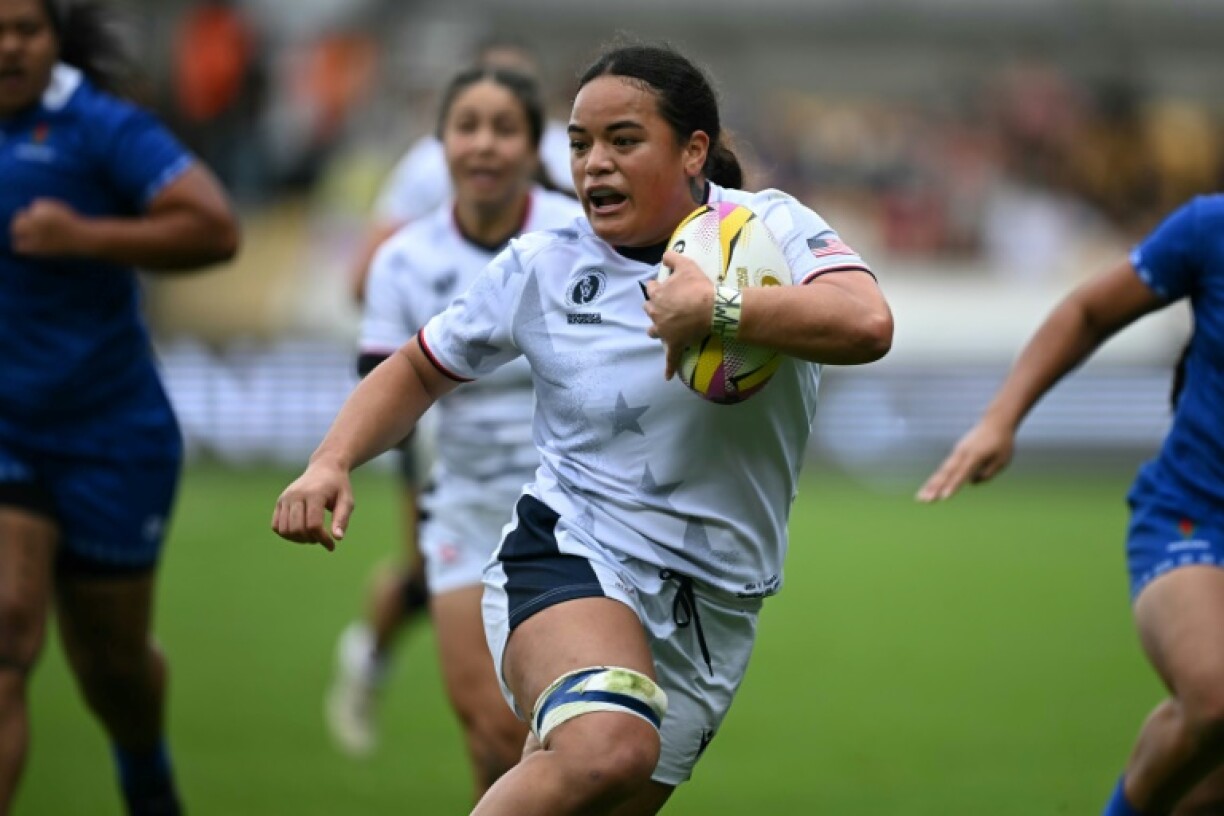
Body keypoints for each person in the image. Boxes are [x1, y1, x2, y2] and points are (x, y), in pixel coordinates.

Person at [274, 42, 892, 815]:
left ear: (693, 149)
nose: (593, 164)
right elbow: (419, 365)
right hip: (572, 555)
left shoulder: (769, 230)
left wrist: (717, 311)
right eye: (579, 144)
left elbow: (867, 323)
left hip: (719, 605)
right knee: (612, 745)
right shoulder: (542, 265)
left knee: (595, 785)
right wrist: (329, 462)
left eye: (623, 140)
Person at [0, 1, 240, 814]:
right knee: (6, 628)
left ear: (53, 37)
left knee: (113, 669)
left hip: (110, 432)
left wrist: (86, 236)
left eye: (24, 28)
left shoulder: (100, 127)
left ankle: (146, 776)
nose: (8, 46)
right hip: (7, 433)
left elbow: (214, 228)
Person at [917, 195, 1224, 816]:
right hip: (1195, 514)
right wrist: (1000, 420)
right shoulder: (1210, 228)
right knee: (1218, 699)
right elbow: (1088, 311)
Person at [328, 65, 582, 795]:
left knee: (575, 742)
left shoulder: (577, 237)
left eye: (505, 128)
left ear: (533, 145)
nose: (484, 145)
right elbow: (387, 386)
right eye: (466, 127)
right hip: (465, 506)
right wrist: (338, 462)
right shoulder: (405, 259)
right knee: (494, 737)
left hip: (579, 511)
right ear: (439, 145)